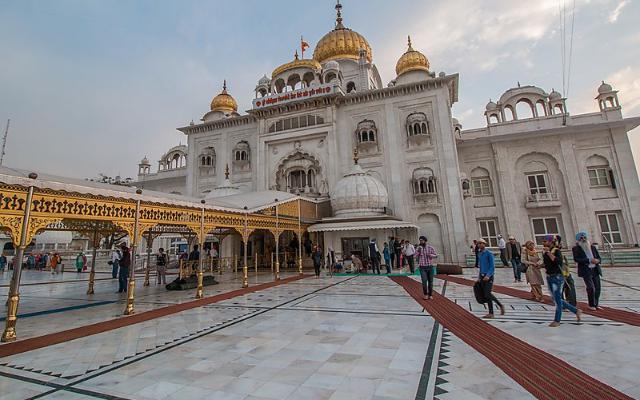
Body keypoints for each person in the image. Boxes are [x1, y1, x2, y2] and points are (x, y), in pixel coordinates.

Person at [542, 235, 581, 327]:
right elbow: (548, 263)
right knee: (556, 298)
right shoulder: (545, 252)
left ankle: (557, 320)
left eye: (545, 241)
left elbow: (558, 262)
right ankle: (576, 311)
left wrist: (549, 253)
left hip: (557, 277)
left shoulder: (556, 251)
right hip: (549, 276)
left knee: (558, 299)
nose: (543, 243)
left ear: (551, 242)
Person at [572, 231, 602, 310]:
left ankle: (596, 303)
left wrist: (597, 261)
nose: (584, 239)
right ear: (578, 240)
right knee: (590, 287)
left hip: (595, 269)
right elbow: (577, 259)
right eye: (581, 238)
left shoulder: (592, 247)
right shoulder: (576, 249)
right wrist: (588, 260)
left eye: (585, 237)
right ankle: (591, 304)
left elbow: (599, 257)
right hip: (586, 270)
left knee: (597, 287)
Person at [476, 239, 505, 318]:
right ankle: (495, 309)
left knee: (487, 293)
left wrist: (488, 275)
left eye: (480, 243)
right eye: (478, 244)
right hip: (482, 276)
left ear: (484, 244)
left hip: (488, 276)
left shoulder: (489, 254)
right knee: (486, 294)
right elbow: (481, 266)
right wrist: (479, 277)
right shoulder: (480, 254)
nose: (479, 245)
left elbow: (492, 266)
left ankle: (495, 309)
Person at [556, 235, 577, 306]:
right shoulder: (552, 250)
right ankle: (564, 303)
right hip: (559, 271)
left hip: (565, 270)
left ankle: (571, 302)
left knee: (569, 285)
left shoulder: (557, 250)